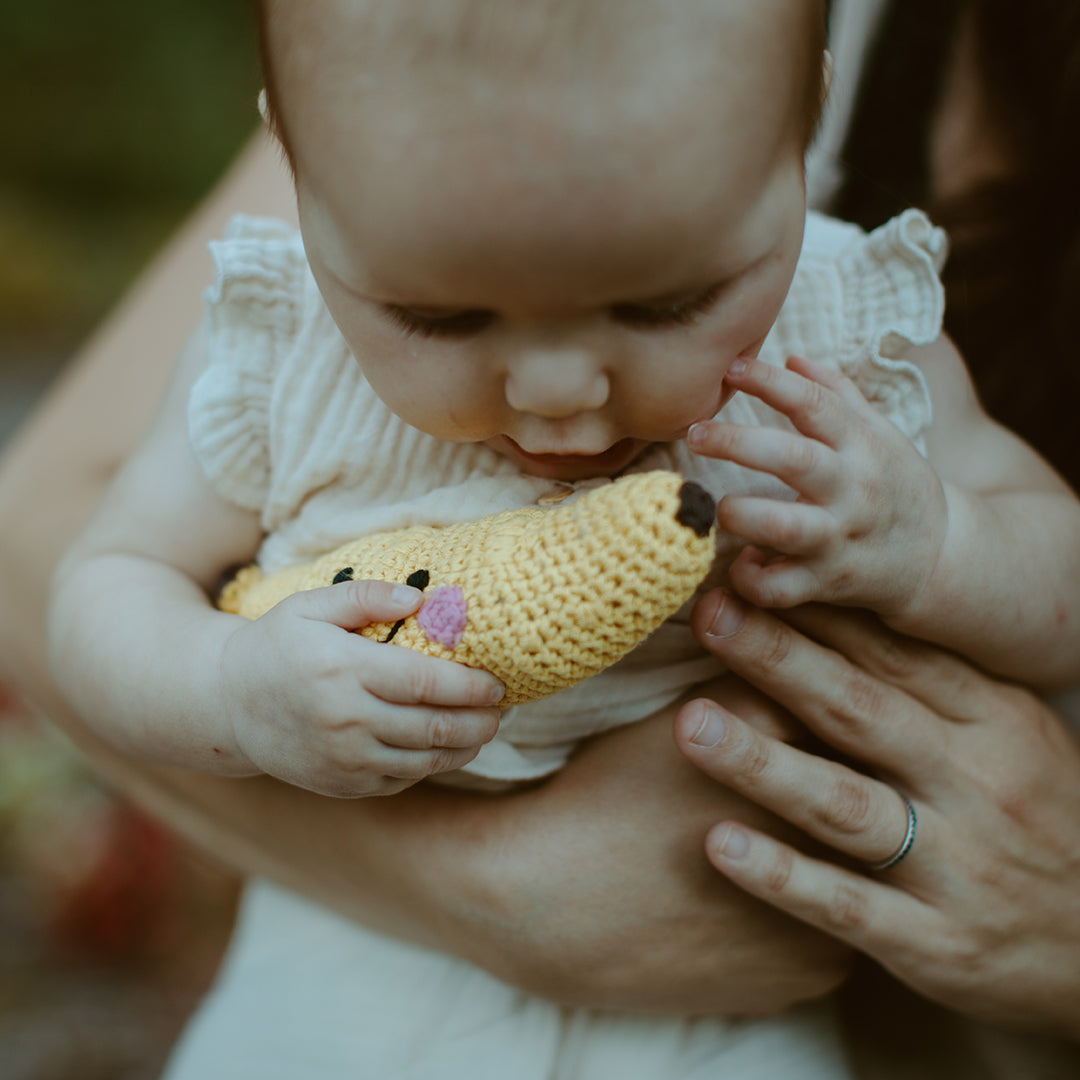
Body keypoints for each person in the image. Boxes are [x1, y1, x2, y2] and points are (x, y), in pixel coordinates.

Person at [1, 0, 1079, 1076]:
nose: (559, 393)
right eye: (443, 316)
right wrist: (230, 686)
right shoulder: (282, 355)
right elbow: (106, 582)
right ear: (294, 158)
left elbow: (1059, 572)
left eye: (665, 304)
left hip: (736, 1018)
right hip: (359, 981)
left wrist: (937, 546)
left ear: (801, 129)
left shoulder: (850, 342)